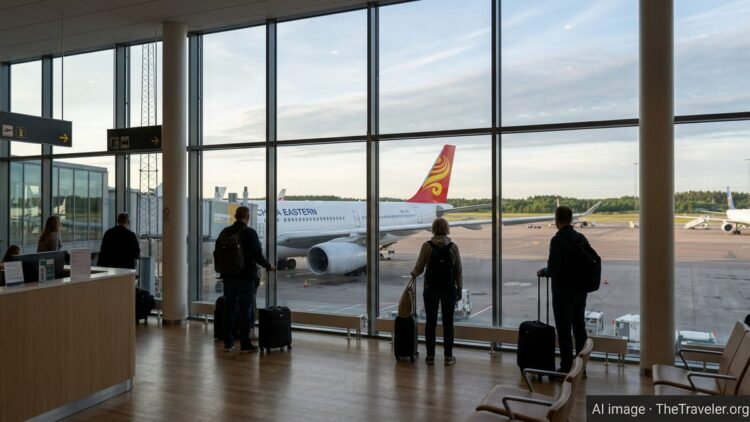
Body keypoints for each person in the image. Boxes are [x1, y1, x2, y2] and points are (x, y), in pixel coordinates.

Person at [537, 206, 589, 373]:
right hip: (580, 292)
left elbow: (553, 269)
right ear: (571, 219)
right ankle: (582, 368)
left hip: (563, 294)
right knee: (580, 329)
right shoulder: (581, 238)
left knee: (564, 331)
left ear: (556, 219)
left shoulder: (557, 240)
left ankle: (566, 367)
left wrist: (543, 272)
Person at [219, 206, 275, 353]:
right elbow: (257, 255)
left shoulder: (225, 232)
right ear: (247, 217)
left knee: (229, 310)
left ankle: (228, 343)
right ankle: (245, 344)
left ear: (235, 216)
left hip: (228, 278)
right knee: (245, 311)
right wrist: (268, 266)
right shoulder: (249, 232)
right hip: (245, 278)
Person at [411, 217, 463, 366]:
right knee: (448, 323)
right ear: (447, 229)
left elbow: (419, 268)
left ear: (433, 229)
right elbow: (458, 270)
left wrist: (413, 274)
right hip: (448, 289)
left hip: (431, 289)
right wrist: (459, 288)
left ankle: (430, 357)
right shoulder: (453, 247)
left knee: (430, 323)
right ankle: (448, 357)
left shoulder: (426, 246)